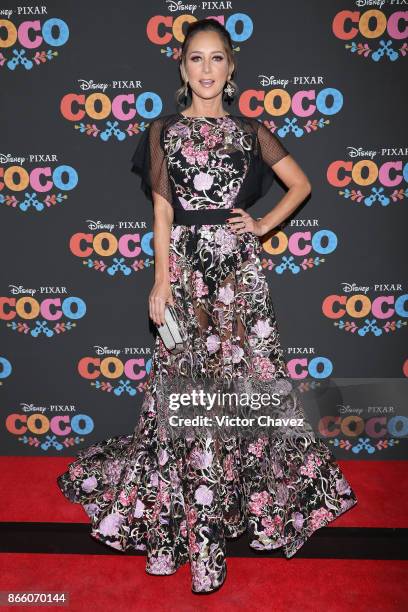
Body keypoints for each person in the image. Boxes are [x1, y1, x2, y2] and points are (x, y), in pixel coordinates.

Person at [57, 19, 358, 594]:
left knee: (245, 387)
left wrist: (263, 224)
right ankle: (199, 538)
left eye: (216, 58)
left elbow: (302, 184)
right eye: (195, 58)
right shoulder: (162, 132)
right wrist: (160, 280)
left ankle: (245, 506)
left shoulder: (250, 131)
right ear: (181, 67)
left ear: (231, 67)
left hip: (237, 273)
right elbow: (163, 214)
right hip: (187, 272)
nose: (206, 69)